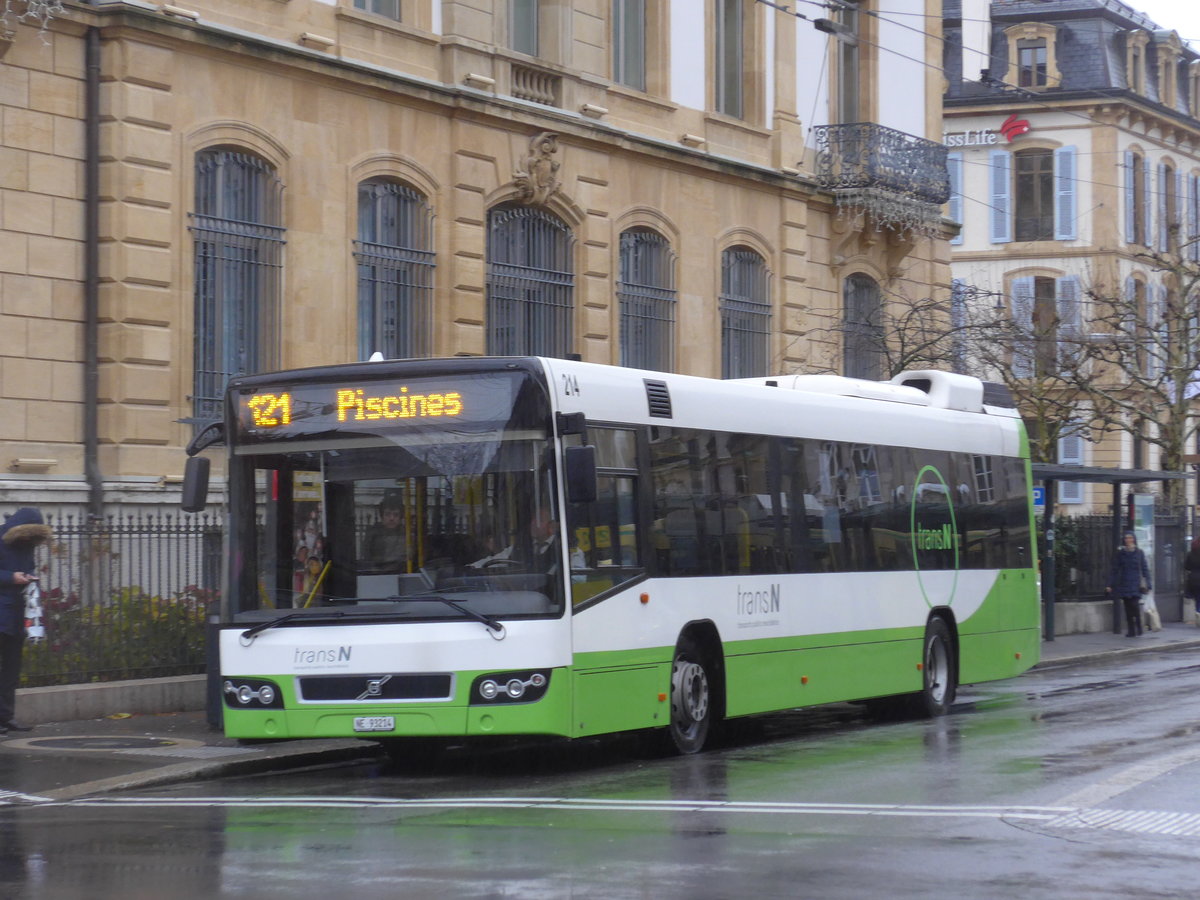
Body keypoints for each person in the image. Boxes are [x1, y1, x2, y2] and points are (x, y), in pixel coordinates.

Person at [0, 508, 52, 733]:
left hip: (18, 614)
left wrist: (31, 579)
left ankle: (6, 717)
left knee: (11, 670)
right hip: (3, 611)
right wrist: (12, 577)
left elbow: (28, 569)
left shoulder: (26, 546)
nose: (29, 540)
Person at [1106, 531, 1151, 638]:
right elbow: (1115, 570)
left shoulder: (1139, 552)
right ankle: (1131, 630)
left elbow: (1145, 569)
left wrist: (1148, 584)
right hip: (1125, 583)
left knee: (1134, 606)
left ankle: (1139, 625)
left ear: (1134, 539)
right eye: (1126, 538)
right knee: (1128, 608)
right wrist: (1109, 584)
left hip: (1136, 584)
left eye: (1130, 538)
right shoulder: (1121, 553)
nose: (1128, 540)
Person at [364, 491, 407, 570]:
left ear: (401, 517)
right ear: (382, 516)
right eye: (387, 514)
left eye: (396, 515)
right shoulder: (373, 534)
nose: (391, 518)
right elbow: (367, 559)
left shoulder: (407, 534)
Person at [1185, 538, 1200, 625]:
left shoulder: (1190, 554)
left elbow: (1186, 567)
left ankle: (1198, 612)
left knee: (1197, 598)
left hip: (1193, 580)